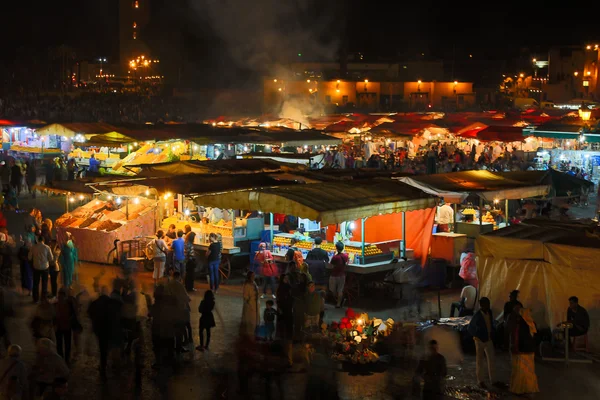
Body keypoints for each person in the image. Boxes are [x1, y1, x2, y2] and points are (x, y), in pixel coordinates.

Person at [468, 297, 498, 389]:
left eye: (488, 304)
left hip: (488, 339)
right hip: (480, 341)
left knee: (491, 360)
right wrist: (477, 336)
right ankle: (480, 381)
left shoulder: (489, 312)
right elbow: (470, 328)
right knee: (480, 361)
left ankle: (493, 380)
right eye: (486, 304)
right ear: (482, 305)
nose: (488, 306)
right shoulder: (477, 316)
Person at [508, 308, 539, 395]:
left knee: (521, 370)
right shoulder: (532, 323)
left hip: (522, 351)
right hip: (529, 351)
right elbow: (535, 337)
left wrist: (515, 348)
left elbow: (517, 337)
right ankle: (529, 387)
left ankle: (520, 388)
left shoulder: (521, 324)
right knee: (529, 370)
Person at [88, 286, 111, 381]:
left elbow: (89, 312)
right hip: (107, 329)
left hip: (99, 329)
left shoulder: (95, 302)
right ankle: (105, 364)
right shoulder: (111, 302)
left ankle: (103, 364)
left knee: (102, 347)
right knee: (105, 347)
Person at [29, 235, 54, 303]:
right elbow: (51, 258)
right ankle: (43, 298)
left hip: (36, 267)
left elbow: (29, 257)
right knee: (44, 283)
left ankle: (35, 299)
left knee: (36, 283)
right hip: (45, 268)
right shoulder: (47, 247)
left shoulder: (33, 247)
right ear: (43, 240)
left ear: (37, 240)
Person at [54, 288, 76, 364]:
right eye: (59, 296)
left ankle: (66, 359)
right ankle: (62, 359)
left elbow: (73, 315)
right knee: (60, 345)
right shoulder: (55, 305)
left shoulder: (68, 304)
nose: (60, 298)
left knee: (67, 344)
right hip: (60, 327)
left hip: (66, 327)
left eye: (62, 296)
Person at [240, 271, 259, 337]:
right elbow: (245, 296)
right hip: (250, 305)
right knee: (250, 320)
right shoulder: (247, 285)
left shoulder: (254, 283)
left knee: (254, 319)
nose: (254, 277)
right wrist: (249, 303)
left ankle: (253, 333)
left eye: (254, 275)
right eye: (252, 276)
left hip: (255, 304)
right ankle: (249, 334)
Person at [329, 241, 348, 308]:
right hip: (342, 275)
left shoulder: (335, 257)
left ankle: (337, 300)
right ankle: (339, 303)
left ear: (336, 248)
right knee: (340, 290)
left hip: (334, 275)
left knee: (333, 289)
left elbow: (331, 265)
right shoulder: (345, 256)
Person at [183, 227, 196, 291]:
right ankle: (190, 287)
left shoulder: (185, 243)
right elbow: (191, 254)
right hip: (190, 261)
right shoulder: (190, 245)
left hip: (186, 260)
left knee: (187, 274)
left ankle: (186, 286)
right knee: (191, 275)